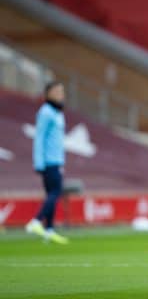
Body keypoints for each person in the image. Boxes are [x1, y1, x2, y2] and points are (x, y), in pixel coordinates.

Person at [24, 81, 69, 244]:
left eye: (62, 91)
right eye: (57, 91)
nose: (60, 94)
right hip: (48, 161)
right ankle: (36, 221)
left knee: (52, 193)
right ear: (48, 93)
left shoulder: (57, 112)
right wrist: (39, 163)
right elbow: (39, 138)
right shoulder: (45, 112)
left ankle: (49, 230)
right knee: (55, 192)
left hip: (56, 160)